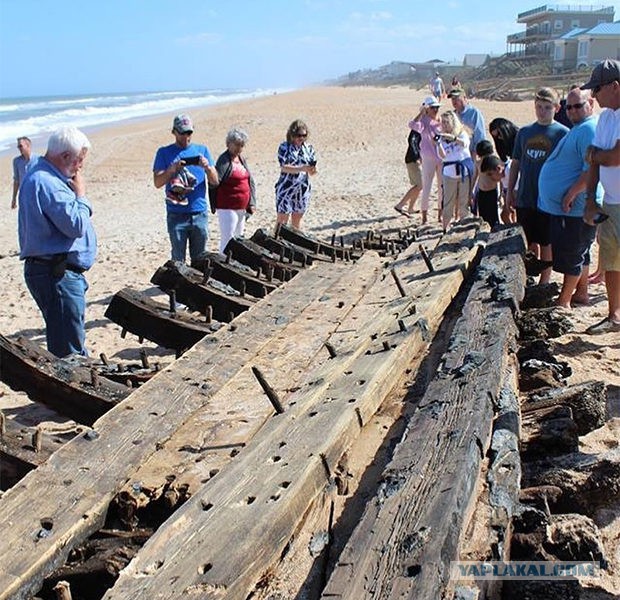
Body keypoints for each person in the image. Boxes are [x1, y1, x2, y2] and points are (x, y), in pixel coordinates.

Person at [17, 127, 95, 358]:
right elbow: (76, 226)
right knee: (69, 354)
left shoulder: (41, 173)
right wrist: (81, 195)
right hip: (56, 274)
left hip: (56, 272)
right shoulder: (47, 181)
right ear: (64, 157)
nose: (80, 167)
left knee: (73, 345)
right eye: (79, 161)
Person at [537, 87, 599, 309]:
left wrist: (571, 193)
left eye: (578, 106)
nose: (572, 111)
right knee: (580, 252)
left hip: (576, 206)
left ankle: (563, 302)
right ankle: (581, 294)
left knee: (572, 253)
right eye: (569, 106)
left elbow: (591, 168)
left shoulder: (588, 129)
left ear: (590, 103)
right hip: (570, 207)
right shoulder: (579, 128)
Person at [506, 88, 569, 284]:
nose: (542, 111)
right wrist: (509, 192)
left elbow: (567, 166)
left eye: (547, 108)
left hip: (548, 198)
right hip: (526, 194)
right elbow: (516, 163)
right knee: (528, 239)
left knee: (546, 241)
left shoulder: (562, 133)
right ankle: (527, 276)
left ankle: (545, 279)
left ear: (556, 108)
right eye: (539, 107)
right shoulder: (524, 132)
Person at [581, 59, 620, 333]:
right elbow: (595, 158)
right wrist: (590, 200)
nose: (593, 95)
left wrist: (598, 156)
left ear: (615, 87)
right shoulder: (606, 117)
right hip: (611, 200)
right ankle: (614, 315)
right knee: (611, 260)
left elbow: (615, 156)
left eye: (597, 88)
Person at [153, 114, 218, 266]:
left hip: (199, 213)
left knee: (200, 259)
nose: (186, 137)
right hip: (176, 214)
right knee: (178, 261)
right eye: (182, 133)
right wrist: (172, 170)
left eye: (189, 133)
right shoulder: (164, 152)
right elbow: (157, 182)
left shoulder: (202, 150)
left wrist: (207, 167)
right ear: (174, 132)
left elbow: (215, 181)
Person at [211, 127, 257, 254]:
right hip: (227, 207)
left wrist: (252, 202)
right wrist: (213, 205)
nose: (239, 148)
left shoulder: (241, 159)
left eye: (241, 145)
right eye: (236, 144)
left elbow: (250, 181)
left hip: (242, 207)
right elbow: (215, 182)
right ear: (228, 144)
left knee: (239, 239)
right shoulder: (223, 160)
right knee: (228, 239)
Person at [435, 110, 474, 232]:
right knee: (448, 202)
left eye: (447, 122)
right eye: (443, 122)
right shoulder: (441, 138)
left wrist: (453, 138)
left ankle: (464, 227)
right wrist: (438, 143)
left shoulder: (462, 133)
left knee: (463, 201)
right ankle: (445, 228)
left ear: (453, 122)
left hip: (464, 172)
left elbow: (465, 144)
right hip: (449, 173)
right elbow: (442, 156)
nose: (445, 125)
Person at [275, 119, 317, 230]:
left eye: (304, 135)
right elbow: (284, 167)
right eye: (299, 135)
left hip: (302, 189)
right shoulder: (284, 147)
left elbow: (311, 171)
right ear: (292, 134)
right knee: (282, 221)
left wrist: (311, 170)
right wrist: (302, 168)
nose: (301, 138)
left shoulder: (308, 148)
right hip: (286, 188)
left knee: (297, 222)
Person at [410, 96, 443, 224]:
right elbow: (412, 125)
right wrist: (421, 113)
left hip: (441, 157)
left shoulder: (442, 120)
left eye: (437, 107)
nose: (435, 110)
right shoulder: (423, 121)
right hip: (428, 158)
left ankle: (440, 215)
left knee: (441, 187)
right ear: (427, 109)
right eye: (433, 107)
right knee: (427, 187)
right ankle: (424, 217)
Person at [489, 117, 520, 224]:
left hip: (518, 185)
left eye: (499, 134)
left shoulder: (519, 138)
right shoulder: (503, 145)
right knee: (507, 215)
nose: (499, 138)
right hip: (509, 184)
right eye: (495, 137)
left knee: (510, 214)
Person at [447, 87, 487, 158]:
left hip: (471, 155)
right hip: (457, 156)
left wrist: (475, 154)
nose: (454, 101)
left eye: (456, 97)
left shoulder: (474, 113)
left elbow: (480, 136)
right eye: (452, 99)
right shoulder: (453, 115)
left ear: (464, 98)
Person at [394, 127, 422, 217]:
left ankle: (411, 208)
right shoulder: (418, 127)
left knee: (419, 186)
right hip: (413, 160)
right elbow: (412, 141)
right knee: (420, 185)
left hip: (416, 159)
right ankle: (400, 205)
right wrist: (417, 157)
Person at [476, 153, 503, 228]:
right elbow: (475, 176)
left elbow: (501, 180)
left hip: (492, 192)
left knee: (493, 215)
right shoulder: (479, 164)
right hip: (481, 192)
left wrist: (501, 194)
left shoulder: (493, 163)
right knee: (483, 215)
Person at [11, 136, 39, 209]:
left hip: (37, 194)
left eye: (20, 146)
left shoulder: (39, 160)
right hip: (24, 196)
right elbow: (16, 181)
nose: (19, 148)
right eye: (18, 147)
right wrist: (14, 198)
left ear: (28, 145)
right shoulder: (16, 161)